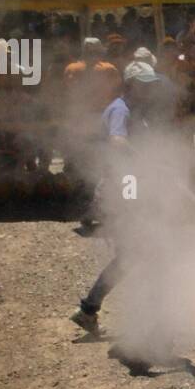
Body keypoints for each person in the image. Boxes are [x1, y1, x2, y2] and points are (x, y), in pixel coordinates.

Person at [70, 60, 162, 335]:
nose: (149, 90)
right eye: (145, 85)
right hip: (122, 193)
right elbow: (118, 142)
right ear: (131, 84)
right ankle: (158, 318)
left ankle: (89, 309)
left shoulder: (131, 109)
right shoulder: (120, 110)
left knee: (132, 255)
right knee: (147, 250)